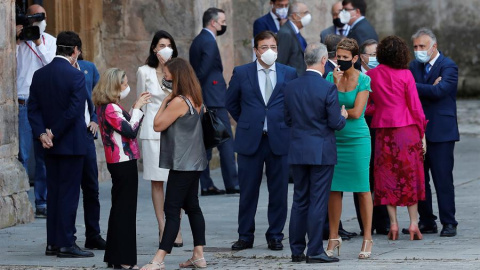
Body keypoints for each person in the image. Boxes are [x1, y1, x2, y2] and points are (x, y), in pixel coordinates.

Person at [226, 31, 297, 251]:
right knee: (248, 191)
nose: (270, 51)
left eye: (273, 47)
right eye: (264, 47)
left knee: (279, 191)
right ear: (256, 50)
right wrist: (249, 121)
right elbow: (231, 103)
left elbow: (292, 104)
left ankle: (275, 235)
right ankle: (245, 235)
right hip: (250, 140)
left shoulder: (289, 73)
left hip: (279, 138)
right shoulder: (241, 72)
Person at [28, 31, 93, 258]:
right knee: (68, 194)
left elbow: (33, 108)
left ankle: (53, 243)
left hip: (48, 145)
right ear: (75, 51)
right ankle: (66, 243)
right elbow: (74, 111)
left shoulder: (39, 74)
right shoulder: (76, 76)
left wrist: (41, 134)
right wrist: (53, 132)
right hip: (70, 144)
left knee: (54, 193)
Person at [141, 58, 208, 270]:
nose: (165, 78)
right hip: (195, 161)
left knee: (171, 210)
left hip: (182, 163)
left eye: (167, 75)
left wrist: (164, 101)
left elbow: (157, 124)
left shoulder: (179, 101)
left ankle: (159, 259)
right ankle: (199, 255)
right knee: (192, 206)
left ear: (176, 77)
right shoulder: (196, 98)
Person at [284, 42, 347, 264]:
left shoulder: (290, 86)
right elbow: (335, 122)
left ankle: (296, 250)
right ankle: (315, 250)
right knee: (318, 201)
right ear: (323, 61)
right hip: (321, 150)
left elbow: (287, 119)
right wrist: (343, 116)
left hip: (299, 149)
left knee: (299, 200)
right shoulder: (327, 87)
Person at [366, 35, 427, 241]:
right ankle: (413, 224)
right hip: (407, 130)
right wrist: (422, 132)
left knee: (386, 177)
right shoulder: (406, 75)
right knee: (411, 176)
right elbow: (415, 107)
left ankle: (392, 224)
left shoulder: (372, 75)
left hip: (384, 131)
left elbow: (368, 105)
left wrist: (381, 108)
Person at [93, 68, 151, 268]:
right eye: (124, 84)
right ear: (114, 86)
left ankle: (114, 257)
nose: (127, 87)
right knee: (125, 211)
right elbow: (130, 130)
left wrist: (135, 108)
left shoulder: (107, 107)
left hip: (119, 161)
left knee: (119, 209)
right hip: (122, 162)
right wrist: (137, 109)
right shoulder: (110, 108)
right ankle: (124, 260)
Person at [405, 28, 459, 237]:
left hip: (441, 131)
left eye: (422, 46)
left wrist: (412, 86)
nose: (418, 50)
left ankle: (449, 222)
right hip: (417, 129)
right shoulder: (413, 66)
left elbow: (440, 91)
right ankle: (427, 220)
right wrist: (421, 88)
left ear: (434, 46)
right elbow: (408, 91)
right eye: (416, 46)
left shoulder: (448, 66)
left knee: (442, 178)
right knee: (419, 179)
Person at [324, 38, 373, 259]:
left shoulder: (364, 79)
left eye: (345, 58)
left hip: (357, 139)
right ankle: (333, 237)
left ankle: (367, 237)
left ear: (354, 58)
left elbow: (356, 113)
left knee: (362, 189)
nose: (340, 61)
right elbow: (325, 107)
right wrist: (333, 85)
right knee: (334, 189)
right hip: (335, 138)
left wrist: (339, 111)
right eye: (338, 57)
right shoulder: (329, 77)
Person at [136, 30, 183, 247]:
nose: (165, 48)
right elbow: (141, 102)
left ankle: (176, 227)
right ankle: (163, 226)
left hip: (175, 130)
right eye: (161, 45)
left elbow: (182, 95)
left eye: (169, 44)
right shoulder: (143, 71)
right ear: (154, 48)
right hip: (152, 132)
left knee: (177, 180)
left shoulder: (178, 70)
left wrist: (168, 69)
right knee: (157, 181)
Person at [189, 7, 239, 196]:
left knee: (206, 141)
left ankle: (206, 184)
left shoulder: (198, 41)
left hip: (205, 96)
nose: (224, 25)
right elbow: (202, 71)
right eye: (222, 21)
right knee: (225, 139)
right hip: (213, 97)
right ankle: (232, 183)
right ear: (213, 22)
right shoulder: (208, 41)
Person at [16, 4, 56, 218]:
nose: (38, 20)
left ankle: (42, 202)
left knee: (43, 155)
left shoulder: (51, 41)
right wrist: (15, 39)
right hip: (22, 104)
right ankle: (21, 200)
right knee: (22, 154)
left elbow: (50, 64)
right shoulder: (19, 42)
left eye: (41, 16)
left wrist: (38, 41)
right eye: (34, 17)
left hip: (42, 106)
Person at [72, 39, 107, 250]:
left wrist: (95, 119)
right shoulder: (58, 69)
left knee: (91, 187)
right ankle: (67, 237)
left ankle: (93, 234)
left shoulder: (89, 68)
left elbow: (97, 97)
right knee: (69, 190)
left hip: (86, 135)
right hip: (66, 136)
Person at [356, 38, 391, 236]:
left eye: (378, 54)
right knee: (363, 176)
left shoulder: (385, 75)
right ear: (361, 57)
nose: (375, 58)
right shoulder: (354, 76)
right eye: (371, 54)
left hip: (381, 128)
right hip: (361, 129)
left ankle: (383, 221)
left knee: (381, 175)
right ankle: (365, 224)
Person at [277, 1, 311, 76]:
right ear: (295, 16)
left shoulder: (295, 32)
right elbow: (280, 62)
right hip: (291, 82)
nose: (308, 16)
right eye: (305, 13)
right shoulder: (286, 33)